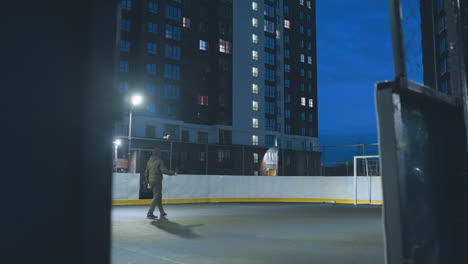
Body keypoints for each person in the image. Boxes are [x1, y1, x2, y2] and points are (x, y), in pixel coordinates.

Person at [145, 148, 177, 219]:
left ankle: (162, 212)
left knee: (158, 196)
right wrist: (173, 173)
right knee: (157, 196)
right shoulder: (159, 161)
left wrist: (148, 183)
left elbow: (146, 173)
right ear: (158, 154)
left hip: (150, 180)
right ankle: (149, 213)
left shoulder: (149, 162)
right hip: (157, 181)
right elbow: (164, 170)